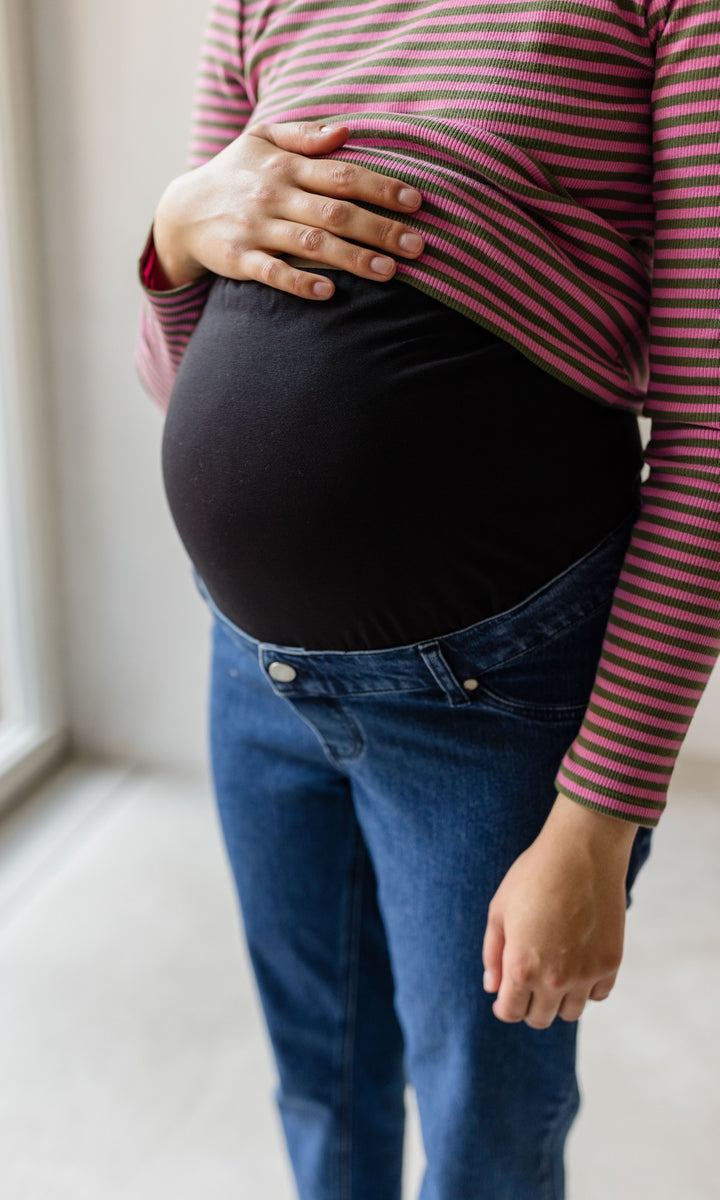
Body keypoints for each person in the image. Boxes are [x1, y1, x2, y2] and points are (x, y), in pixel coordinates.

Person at [135, 3, 719, 1197]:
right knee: (320, 1080)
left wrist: (600, 815)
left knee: (483, 1145)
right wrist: (172, 232)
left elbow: (711, 438)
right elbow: (172, 374)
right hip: (253, 668)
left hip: (491, 697)